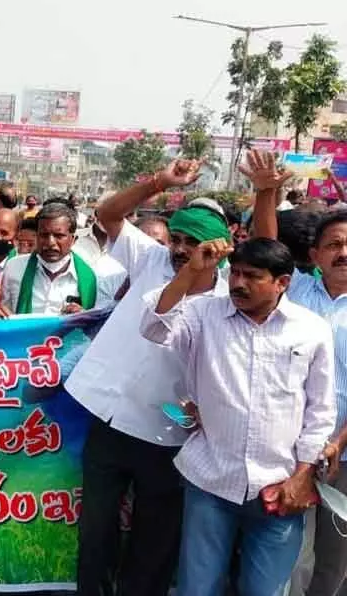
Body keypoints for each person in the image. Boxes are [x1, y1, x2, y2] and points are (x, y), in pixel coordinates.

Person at [65, 158, 231, 596]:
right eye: (176, 238)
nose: (180, 249)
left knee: (154, 542)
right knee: (96, 532)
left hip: (170, 431)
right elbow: (107, 215)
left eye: (191, 242)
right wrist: (159, 181)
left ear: (216, 248)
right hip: (110, 417)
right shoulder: (152, 260)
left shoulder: (230, 297)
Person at [140, 237, 334, 596]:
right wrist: (190, 273)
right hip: (211, 478)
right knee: (198, 588)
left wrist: (303, 475)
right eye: (236, 274)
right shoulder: (203, 314)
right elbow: (154, 328)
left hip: (280, 485)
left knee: (265, 590)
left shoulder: (311, 329)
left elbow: (320, 409)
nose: (239, 284)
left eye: (252, 276)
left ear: (282, 283)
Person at [243, 149, 347, 596]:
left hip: (340, 454)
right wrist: (268, 191)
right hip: (284, 448)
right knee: (281, 550)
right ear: (314, 254)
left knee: (334, 556)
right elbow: (268, 242)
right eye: (334, 245)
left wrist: (336, 444)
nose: (343, 253)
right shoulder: (296, 292)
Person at [0, 203, 123, 315]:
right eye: (44, 235)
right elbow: (5, 315)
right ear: (37, 236)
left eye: (59, 236)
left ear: (73, 239)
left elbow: (96, 324)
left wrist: (82, 315)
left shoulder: (91, 278)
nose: (51, 242)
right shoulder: (14, 267)